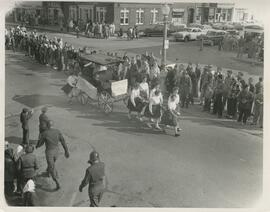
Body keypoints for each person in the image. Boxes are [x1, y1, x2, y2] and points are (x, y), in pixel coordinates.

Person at [36, 121, 70, 190]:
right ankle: (48, 173)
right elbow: (63, 141)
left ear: (47, 126)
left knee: (52, 167)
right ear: (53, 125)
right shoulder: (57, 131)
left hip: (49, 152)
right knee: (51, 164)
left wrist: (37, 145)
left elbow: (40, 144)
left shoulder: (44, 133)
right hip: (57, 151)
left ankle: (57, 183)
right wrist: (66, 151)